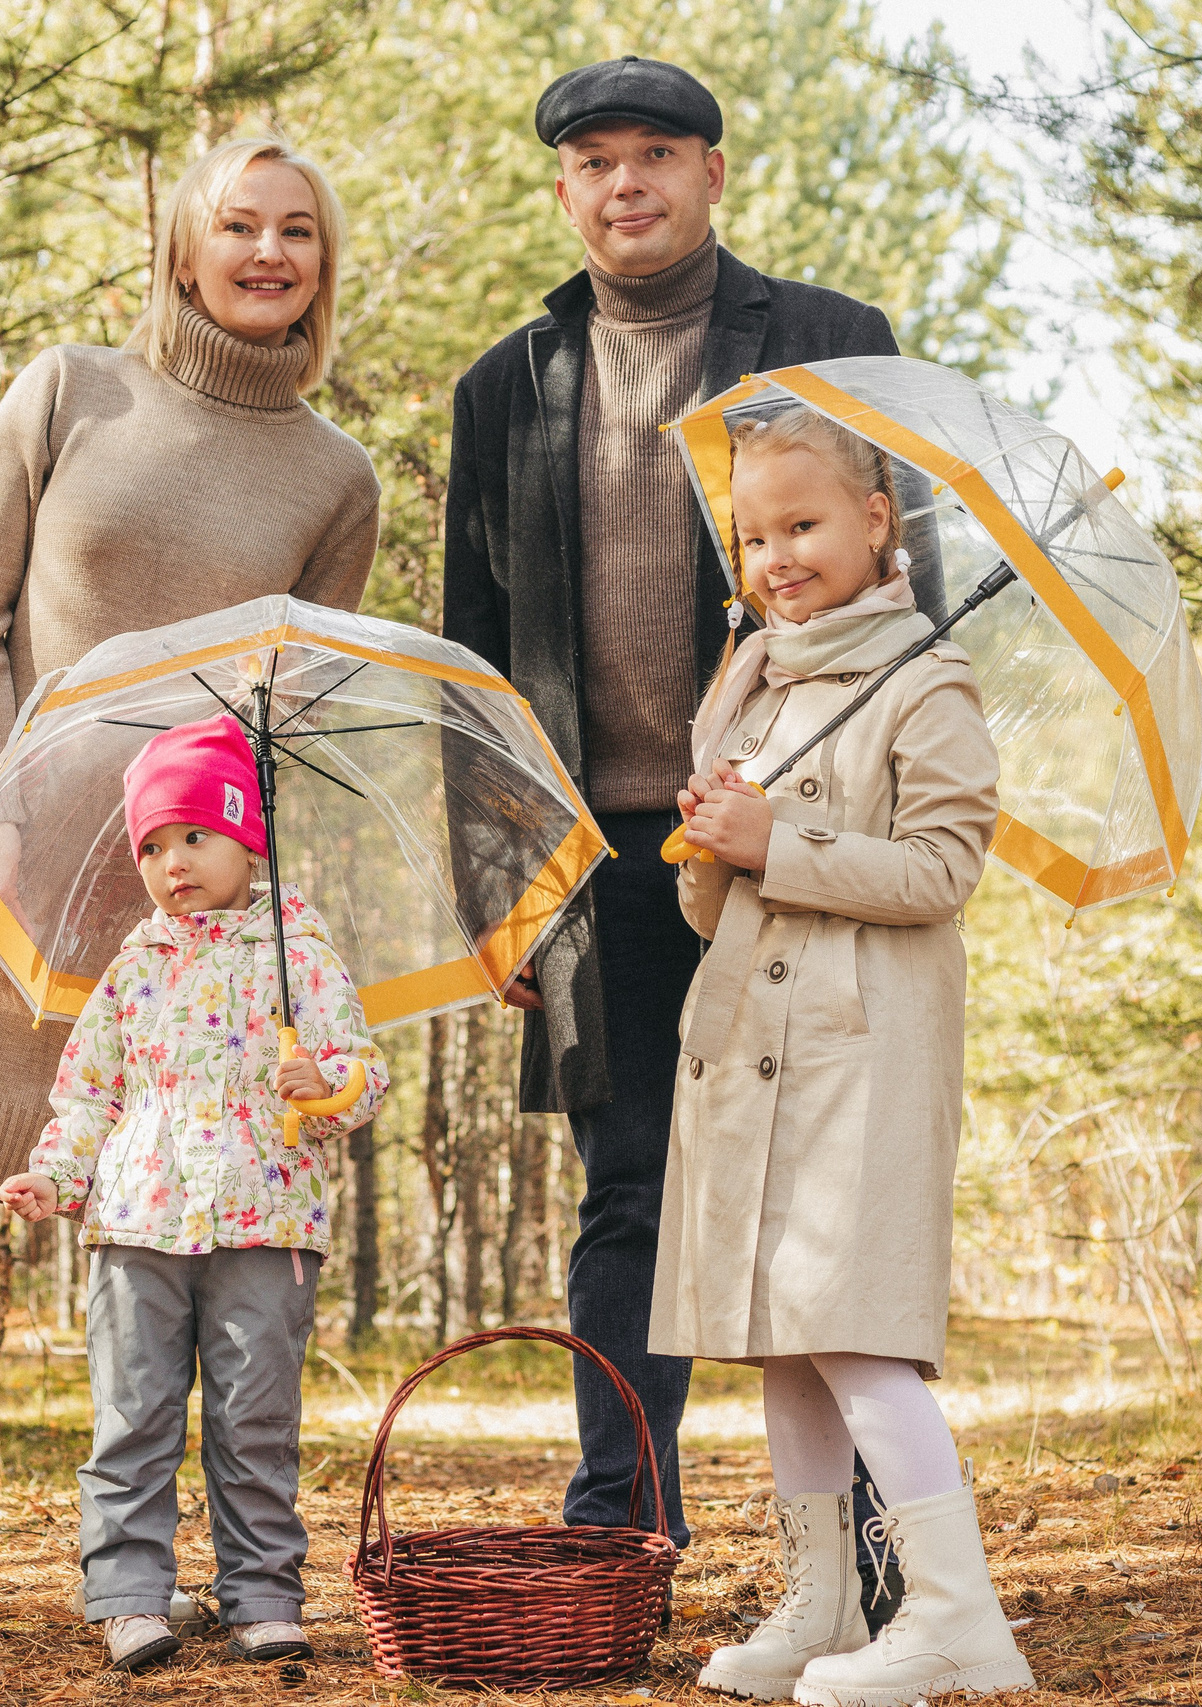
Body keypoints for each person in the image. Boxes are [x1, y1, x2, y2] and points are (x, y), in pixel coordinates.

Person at [0, 136, 378, 1661]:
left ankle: (211, 1567)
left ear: (320, 265)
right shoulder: (67, 390)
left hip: (204, 905)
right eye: (237, 223)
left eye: (295, 232)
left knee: (194, 1239)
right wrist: (7, 826)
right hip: (29, 869)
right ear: (185, 246)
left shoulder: (333, 475)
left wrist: (246, 904)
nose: (267, 251)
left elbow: (298, 722)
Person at [440, 55, 904, 1557]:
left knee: (825, 1193)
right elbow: (472, 658)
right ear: (563, 187)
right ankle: (618, 1525)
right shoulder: (506, 381)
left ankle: (873, 1540)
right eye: (594, 162)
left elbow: (914, 589)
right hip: (592, 853)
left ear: (712, 172)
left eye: (656, 154)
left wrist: (865, 817)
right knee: (628, 1187)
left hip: (787, 832)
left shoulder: (832, 342)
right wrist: (495, 884)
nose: (624, 183)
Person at [666, 407, 1028, 1705]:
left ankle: (959, 1615)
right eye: (753, 535)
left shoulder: (928, 681)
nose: (775, 556)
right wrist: (713, 853)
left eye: (803, 524)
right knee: (785, 1338)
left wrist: (777, 843)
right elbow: (721, 901)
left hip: (862, 1051)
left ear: (877, 521)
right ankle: (820, 1595)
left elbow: (943, 867)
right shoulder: (751, 675)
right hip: (755, 1050)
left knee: (861, 1332)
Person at [0, 715, 387, 1673]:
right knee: (133, 1411)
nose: (173, 861)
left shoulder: (300, 952)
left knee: (255, 1417)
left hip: (269, 1219)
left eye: (195, 835)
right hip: (140, 1220)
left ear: (248, 833)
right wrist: (57, 1175)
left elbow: (362, 1070)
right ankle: (129, 1592)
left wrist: (325, 1085)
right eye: (154, 845)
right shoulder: (135, 967)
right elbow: (89, 1090)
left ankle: (261, 1591)